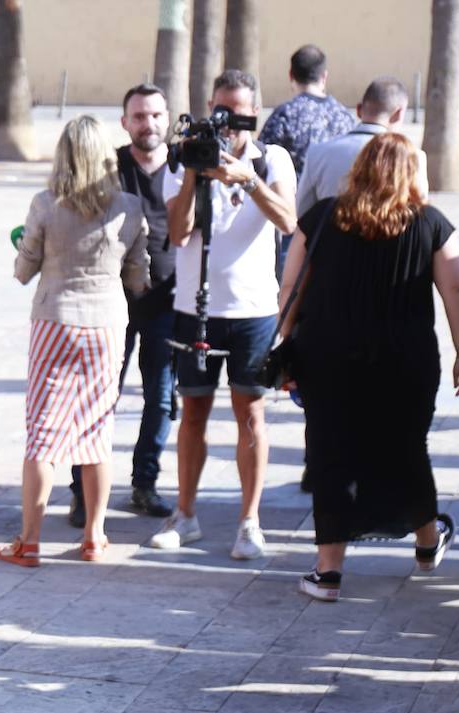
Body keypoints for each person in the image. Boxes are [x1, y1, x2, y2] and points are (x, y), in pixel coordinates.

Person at [281, 133, 459, 601]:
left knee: (329, 456)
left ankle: (328, 572)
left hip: (327, 356)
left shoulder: (322, 217)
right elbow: (458, 290)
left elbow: (291, 287)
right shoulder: (430, 223)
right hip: (404, 359)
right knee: (407, 450)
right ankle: (427, 546)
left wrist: (286, 348)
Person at [148, 69, 297, 560]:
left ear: (255, 113)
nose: (228, 124)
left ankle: (249, 523)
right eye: (221, 112)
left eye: (238, 114)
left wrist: (247, 179)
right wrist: (194, 170)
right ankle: (184, 515)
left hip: (252, 308)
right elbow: (180, 231)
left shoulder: (271, 159)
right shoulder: (183, 159)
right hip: (195, 308)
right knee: (191, 411)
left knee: (250, 413)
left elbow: (288, 221)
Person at [0, 115, 149, 567]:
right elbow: (138, 276)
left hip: (55, 320)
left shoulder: (46, 203)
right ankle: (95, 537)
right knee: (98, 432)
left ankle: (29, 540)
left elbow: (24, 271)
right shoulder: (130, 207)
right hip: (106, 323)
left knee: (43, 433)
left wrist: (24, 247)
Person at [67, 84, 178, 526]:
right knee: (98, 397)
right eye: (138, 116)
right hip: (110, 298)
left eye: (154, 115)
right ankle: (82, 490)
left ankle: (144, 483)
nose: (147, 124)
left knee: (161, 397)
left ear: (167, 118)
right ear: (124, 121)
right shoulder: (108, 167)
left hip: (168, 299)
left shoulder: (186, 166)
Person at [298, 77, 428, 216]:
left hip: (330, 235)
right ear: (398, 114)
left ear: (359, 109)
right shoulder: (412, 156)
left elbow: (302, 212)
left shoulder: (318, 153)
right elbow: (420, 212)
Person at [258, 44, 356, 177]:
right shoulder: (345, 117)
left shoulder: (285, 115)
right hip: (337, 194)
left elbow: (261, 159)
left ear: (291, 75)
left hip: (293, 195)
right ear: (324, 76)